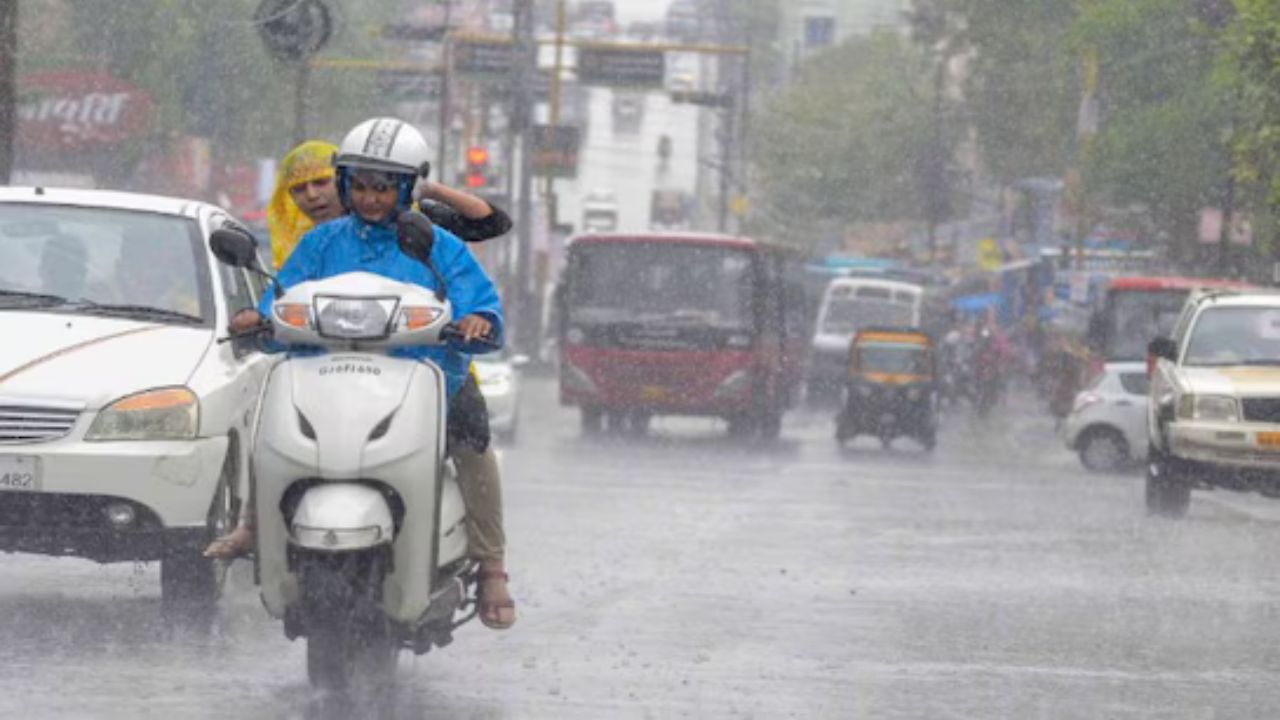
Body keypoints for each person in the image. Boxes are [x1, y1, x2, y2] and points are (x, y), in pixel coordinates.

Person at [206, 119, 517, 629]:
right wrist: (258, 317)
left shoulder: (437, 243)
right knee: (271, 428)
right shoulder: (321, 243)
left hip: (429, 372)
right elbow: (281, 293)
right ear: (347, 185)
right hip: (323, 369)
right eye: (362, 187)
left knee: (474, 445)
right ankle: (256, 526)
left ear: (408, 188)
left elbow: (478, 298)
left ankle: (493, 564)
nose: (371, 200)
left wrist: (478, 320)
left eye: (384, 188)